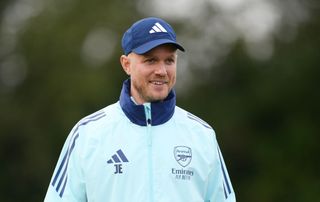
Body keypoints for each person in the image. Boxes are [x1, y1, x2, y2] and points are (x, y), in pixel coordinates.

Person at [44, 17, 236, 202]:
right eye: (150, 60)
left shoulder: (202, 135)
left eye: (169, 60)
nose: (161, 70)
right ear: (126, 64)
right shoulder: (87, 133)